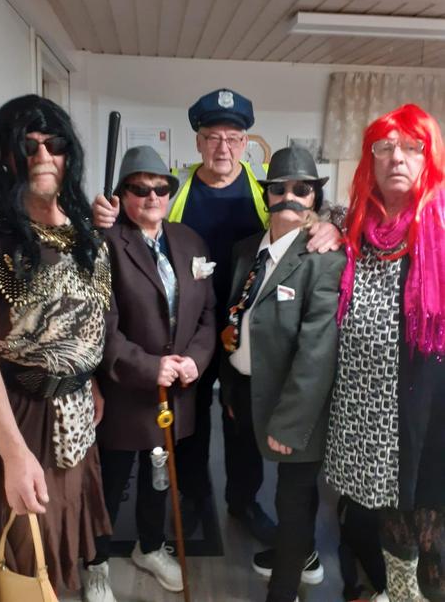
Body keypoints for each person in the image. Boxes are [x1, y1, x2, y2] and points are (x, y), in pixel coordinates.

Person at [93, 88, 342, 548]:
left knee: (241, 422)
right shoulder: (175, 189)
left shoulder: (266, 189)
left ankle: (242, 500)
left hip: (248, 329)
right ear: (198, 142)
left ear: (245, 143)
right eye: (212, 137)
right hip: (186, 332)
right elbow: (140, 229)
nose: (222, 147)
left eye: (232, 137)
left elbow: (303, 215)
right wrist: (105, 219)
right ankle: (192, 494)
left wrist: (332, 224)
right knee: (190, 422)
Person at [0, 95, 116, 602]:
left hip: (77, 409)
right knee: (28, 547)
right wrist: (13, 453)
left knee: (67, 530)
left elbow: (88, 318)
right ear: (6, 156)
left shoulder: (83, 230)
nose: (42, 156)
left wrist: (89, 381)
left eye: (53, 145)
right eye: (27, 146)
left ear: (68, 153)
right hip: (23, 412)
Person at [325, 103, 445, 602]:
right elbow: (324, 213)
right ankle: (398, 593)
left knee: (429, 517)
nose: (397, 157)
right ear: (369, 161)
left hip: (428, 405)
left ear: (429, 158)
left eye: (412, 148)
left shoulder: (441, 223)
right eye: (385, 147)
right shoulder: (357, 226)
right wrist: (326, 223)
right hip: (367, 406)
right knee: (385, 512)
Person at [219, 145, 346, 602]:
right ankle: (297, 554)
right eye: (279, 188)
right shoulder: (245, 251)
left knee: (292, 499)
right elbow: (233, 319)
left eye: (302, 189)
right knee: (256, 481)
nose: (290, 196)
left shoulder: (324, 259)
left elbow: (317, 353)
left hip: (296, 403)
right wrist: (229, 389)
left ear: (315, 197)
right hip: (245, 389)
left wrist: (291, 424)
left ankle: (286, 586)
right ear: (266, 195)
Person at [92, 146, 216, 593]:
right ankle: (95, 563)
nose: (151, 197)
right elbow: (100, 327)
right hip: (126, 392)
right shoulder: (105, 245)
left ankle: (149, 546)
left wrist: (195, 359)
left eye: (160, 189)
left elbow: (208, 314)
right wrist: (149, 367)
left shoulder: (190, 240)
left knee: (159, 477)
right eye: (139, 189)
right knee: (111, 482)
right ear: (122, 194)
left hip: (176, 392)